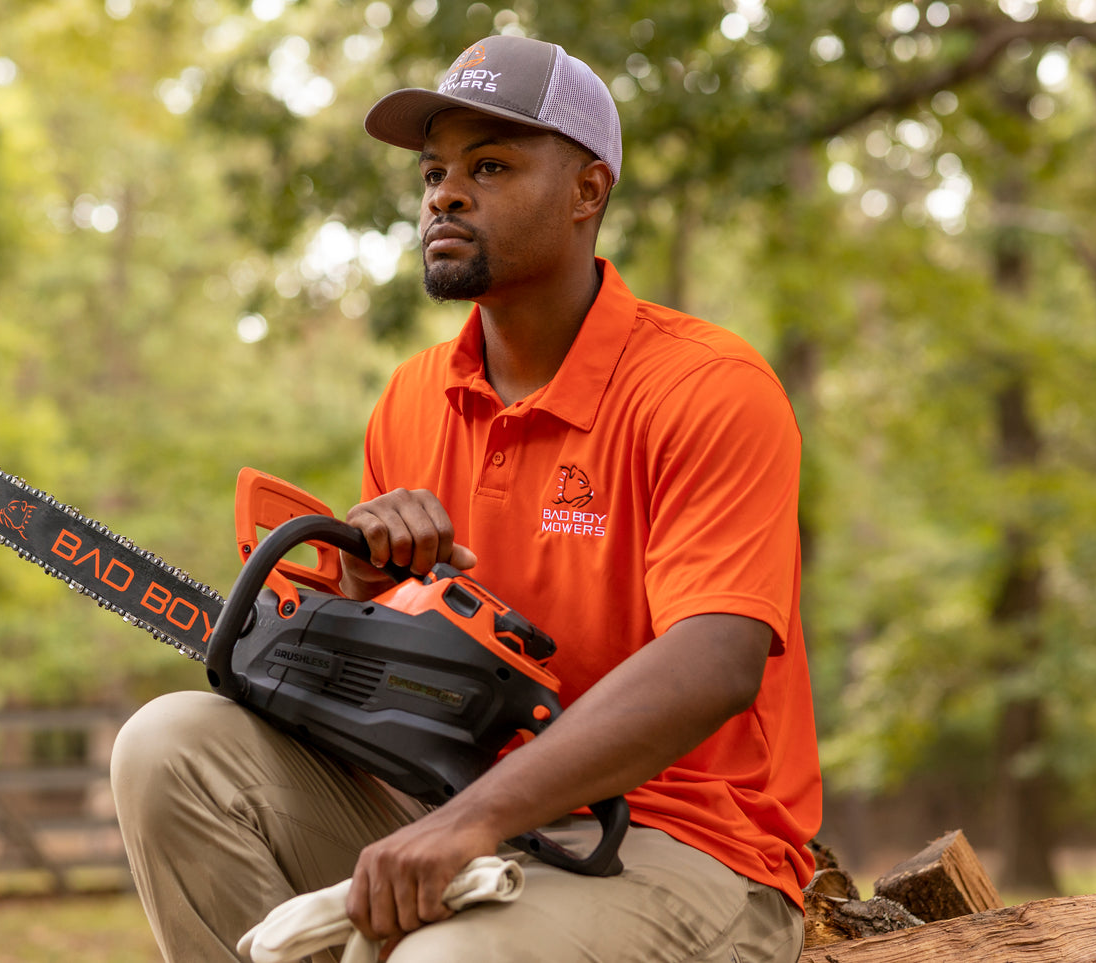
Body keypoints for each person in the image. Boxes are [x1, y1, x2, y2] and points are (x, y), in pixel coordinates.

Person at [112, 35, 822, 963]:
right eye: (434, 171)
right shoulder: (411, 398)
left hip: (687, 843)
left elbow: (717, 660)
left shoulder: (704, 385)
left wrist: (473, 818)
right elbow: (396, 689)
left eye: (490, 166)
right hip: (450, 802)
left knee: (446, 961)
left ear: (587, 191)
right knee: (168, 746)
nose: (444, 193)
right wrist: (368, 593)